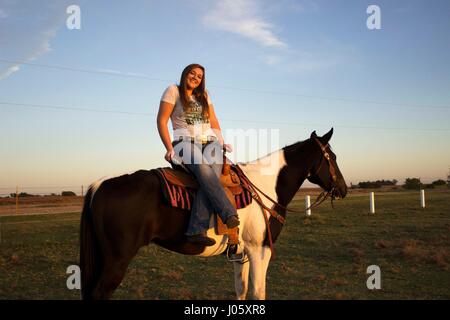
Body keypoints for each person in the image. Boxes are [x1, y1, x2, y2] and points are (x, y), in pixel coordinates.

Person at [157, 63, 240, 246]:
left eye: (200, 76)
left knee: (212, 178)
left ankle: (196, 230)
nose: (195, 77)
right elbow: (161, 120)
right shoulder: (173, 90)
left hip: (210, 142)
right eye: (192, 74)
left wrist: (221, 140)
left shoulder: (204, 95)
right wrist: (169, 147)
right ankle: (228, 213)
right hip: (184, 142)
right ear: (185, 74)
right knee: (204, 170)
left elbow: (214, 120)